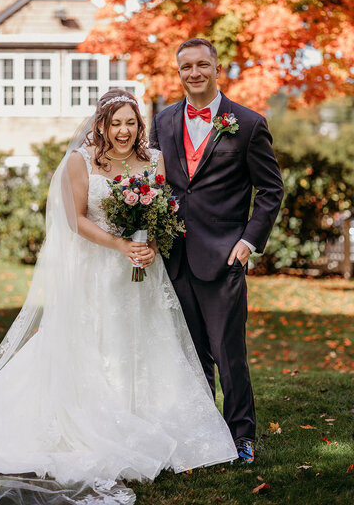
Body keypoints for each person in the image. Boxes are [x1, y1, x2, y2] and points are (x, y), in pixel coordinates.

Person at [0, 89, 237, 505]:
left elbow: (163, 211)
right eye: (114, 123)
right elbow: (77, 220)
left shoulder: (154, 161)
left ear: (140, 125)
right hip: (100, 270)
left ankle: (154, 418)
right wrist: (121, 246)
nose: (123, 131)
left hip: (144, 266)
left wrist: (152, 245)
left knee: (149, 342)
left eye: (131, 123)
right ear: (100, 125)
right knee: (102, 342)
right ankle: (101, 419)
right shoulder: (80, 160)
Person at [150, 39, 284, 464]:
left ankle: (241, 436)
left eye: (202, 65)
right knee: (190, 354)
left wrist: (247, 244)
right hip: (174, 255)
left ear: (217, 68)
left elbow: (270, 189)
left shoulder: (247, 123)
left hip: (225, 256)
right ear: (179, 72)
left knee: (229, 355)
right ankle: (203, 435)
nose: (194, 73)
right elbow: (157, 183)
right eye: (186, 66)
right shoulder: (163, 120)